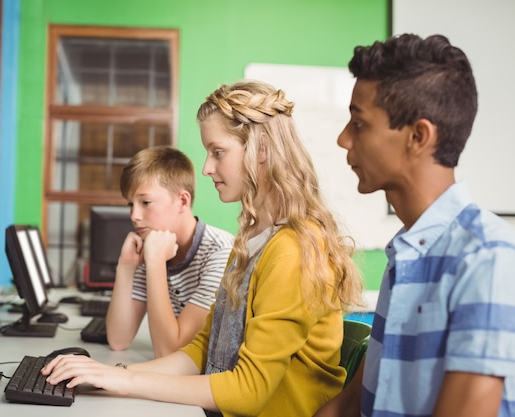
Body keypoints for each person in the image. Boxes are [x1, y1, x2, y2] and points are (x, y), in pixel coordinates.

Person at [42, 80, 364, 417]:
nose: (207, 167)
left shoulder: (292, 250)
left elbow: (248, 391)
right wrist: (113, 375)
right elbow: (203, 348)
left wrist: (124, 382)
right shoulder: (253, 240)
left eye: (218, 152)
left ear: (262, 150)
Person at [314, 34, 515, 417]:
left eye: (359, 123)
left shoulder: (487, 259)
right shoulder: (405, 254)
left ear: (418, 136)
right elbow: (348, 406)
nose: (343, 139)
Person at [105, 146, 234, 358]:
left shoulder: (221, 252)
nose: (134, 215)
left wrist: (155, 261)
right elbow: (118, 340)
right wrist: (126, 267)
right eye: (130, 204)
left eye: (145, 202)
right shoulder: (152, 244)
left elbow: (170, 351)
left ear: (182, 201)